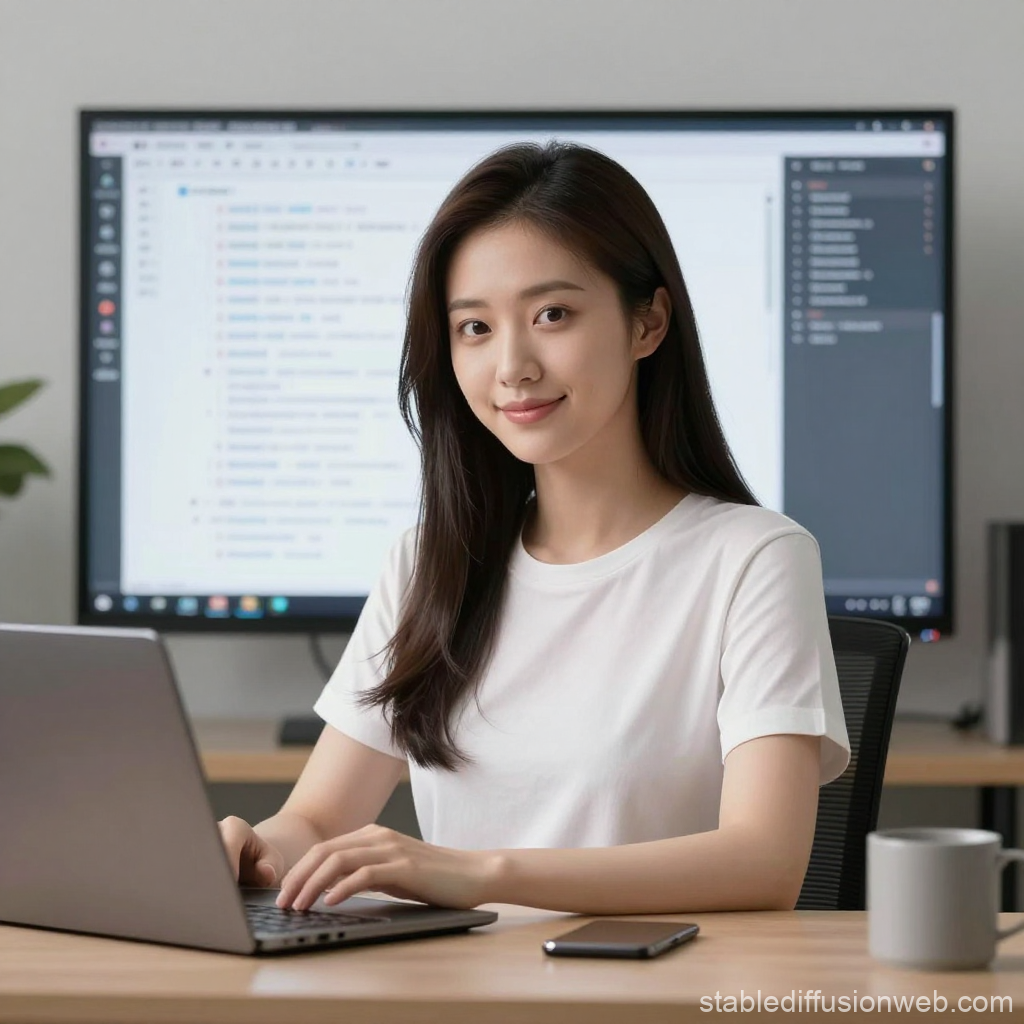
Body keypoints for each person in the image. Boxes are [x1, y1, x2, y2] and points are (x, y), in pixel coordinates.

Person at [219, 141, 851, 916]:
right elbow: (316, 818)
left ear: (647, 322)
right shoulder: (428, 564)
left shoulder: (754, 558)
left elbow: (764, 862)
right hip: (461, 994)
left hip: (649, 994)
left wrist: (482, 876)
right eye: (475, 328)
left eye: (552, 314)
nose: (512, 365)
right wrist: (260, 850)